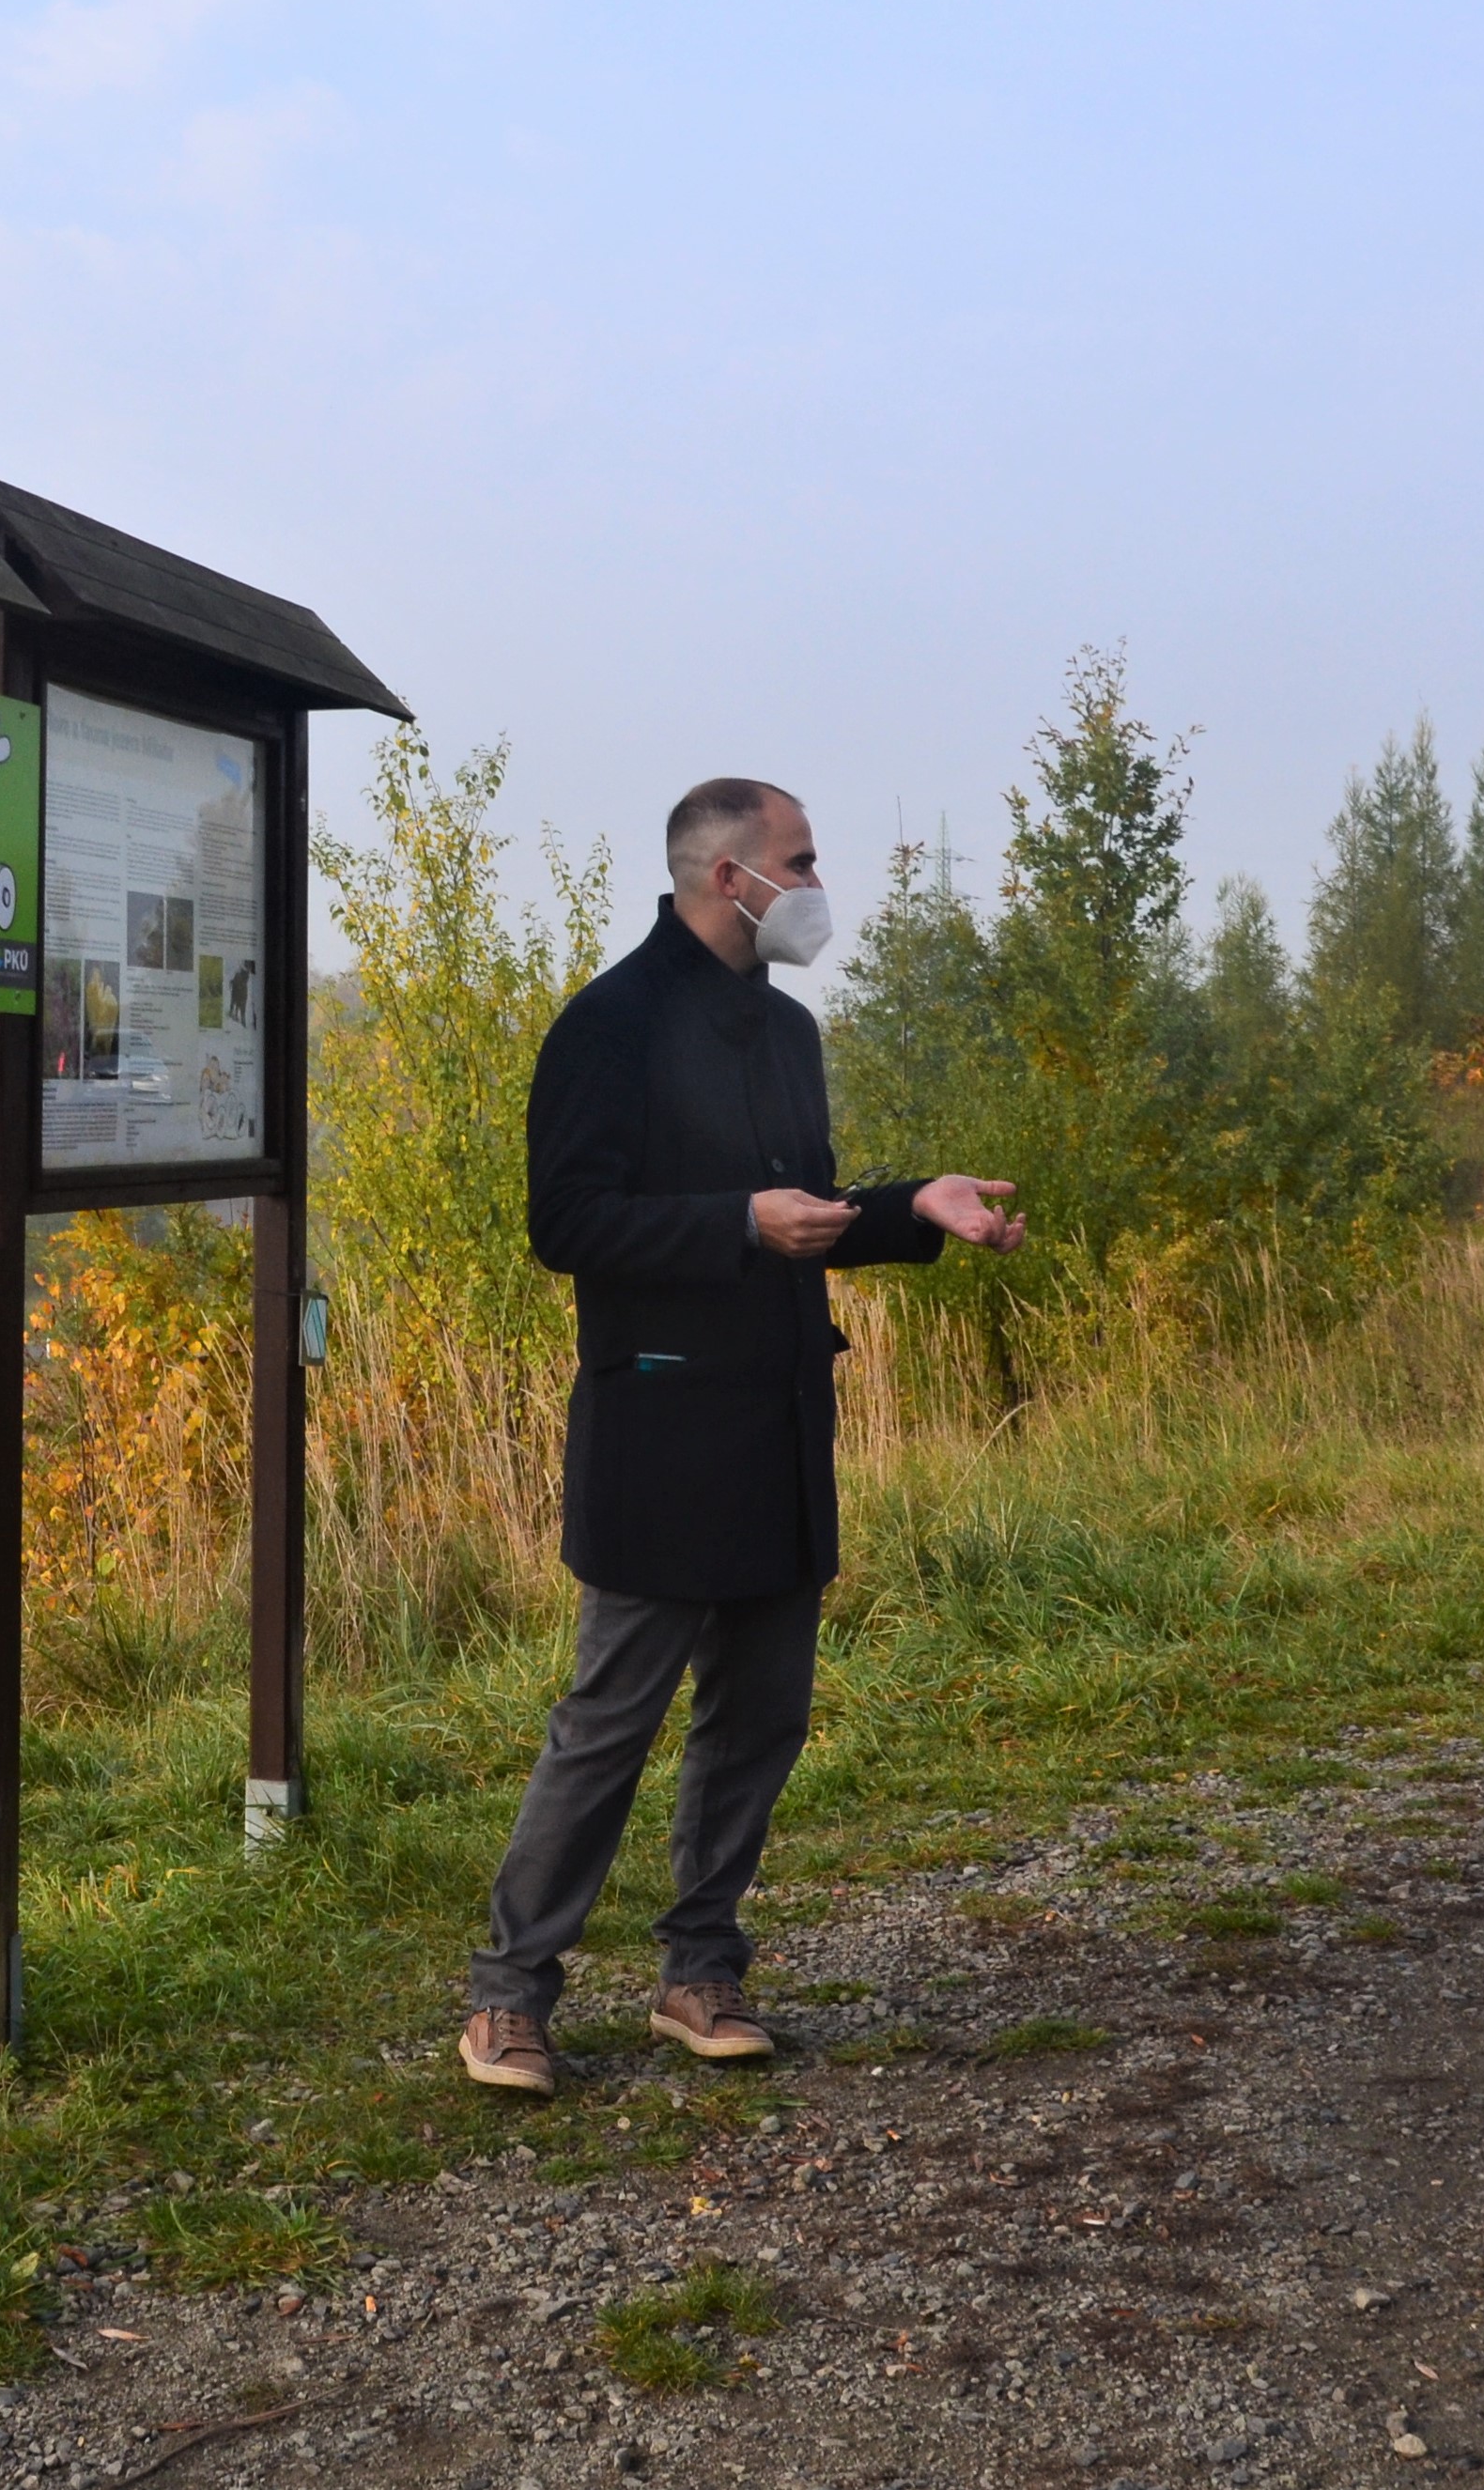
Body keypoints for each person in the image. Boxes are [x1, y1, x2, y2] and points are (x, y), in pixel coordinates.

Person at [460, 778, 1026, 2095]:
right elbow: (567, 1224)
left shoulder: (786, 1033)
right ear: (730, 878)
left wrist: (908, 1208)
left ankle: (699, 1971)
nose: (819, 883)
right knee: (611, 1718)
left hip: (780, 1422)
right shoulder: (606, 1028)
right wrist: (732, 1224)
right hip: (660, 1423)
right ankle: (508, 1997)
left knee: (758, 1718)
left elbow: (807, 1213)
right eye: (804, 859)